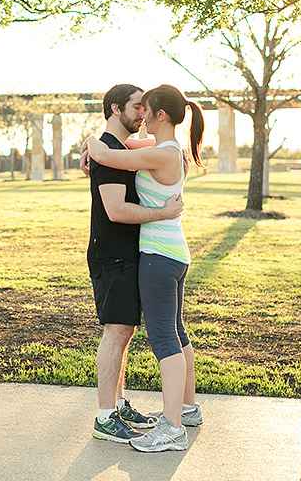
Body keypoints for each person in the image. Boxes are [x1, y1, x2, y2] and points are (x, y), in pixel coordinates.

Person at [83, 84, 205, 453]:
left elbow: (108, 154)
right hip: (173, 254)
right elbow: (109, 149)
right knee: (176, 333)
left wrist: (93, 144)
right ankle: (187, 408)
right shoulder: (168, 150)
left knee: (164, 339)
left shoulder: (159, 154)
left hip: (158, 256)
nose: (142, 115)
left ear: (159, 115)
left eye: (145, 109)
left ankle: (172, 427)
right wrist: (92, 141)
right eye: (137, 108)